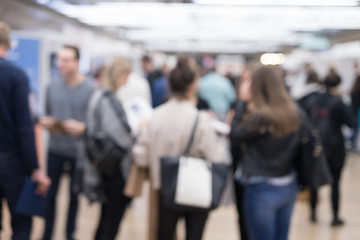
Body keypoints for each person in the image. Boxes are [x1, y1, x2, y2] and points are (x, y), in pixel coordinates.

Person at [132, 56, 227, 240]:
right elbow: (216, 156)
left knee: (165, 234)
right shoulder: (201, 120)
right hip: (196, 188)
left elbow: (140, 156)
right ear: (192, 86)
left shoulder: (155, 116)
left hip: (164, 187)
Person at [230, 65, 303, 240]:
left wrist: (241, 102)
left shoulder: (261, 117)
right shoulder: (295, 112)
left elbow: (235, 135)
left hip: (261, 187)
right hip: (288, 184)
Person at [0, 21, 50, 240]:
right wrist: (35, 169)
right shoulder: (16, 75)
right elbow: (24, 126)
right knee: (20, 222)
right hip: (11, 161)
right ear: (10, 44)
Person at [39, 45, 95, 240]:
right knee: (49, 196)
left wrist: (83, 127)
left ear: (77, 62)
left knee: (73, 198)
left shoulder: (90, 89)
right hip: (54, 149)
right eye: (59, 59)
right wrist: (45, 121)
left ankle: (70, 234)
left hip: (77, 152)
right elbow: (45, 112)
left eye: (65, 59)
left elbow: (95, 123)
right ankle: (47, 233)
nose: (60, 63)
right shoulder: (52, 86)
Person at [80, 57, 133, 240]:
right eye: (126, 76)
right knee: (111, 220)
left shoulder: (98, 95)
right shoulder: (109, 98)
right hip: (114, 168)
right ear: (119, 75)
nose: (126, 81)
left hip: (101, 164)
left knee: (106, 218)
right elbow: (122, 137)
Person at [301, 72, 353, 226]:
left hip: (315, 147)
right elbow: (350, 122)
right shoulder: (338, 102)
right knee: (335, 183)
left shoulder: (312, 100)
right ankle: (335, 216)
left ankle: (313, 214)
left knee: (315, 180)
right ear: (337, 86)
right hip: (335, 147)